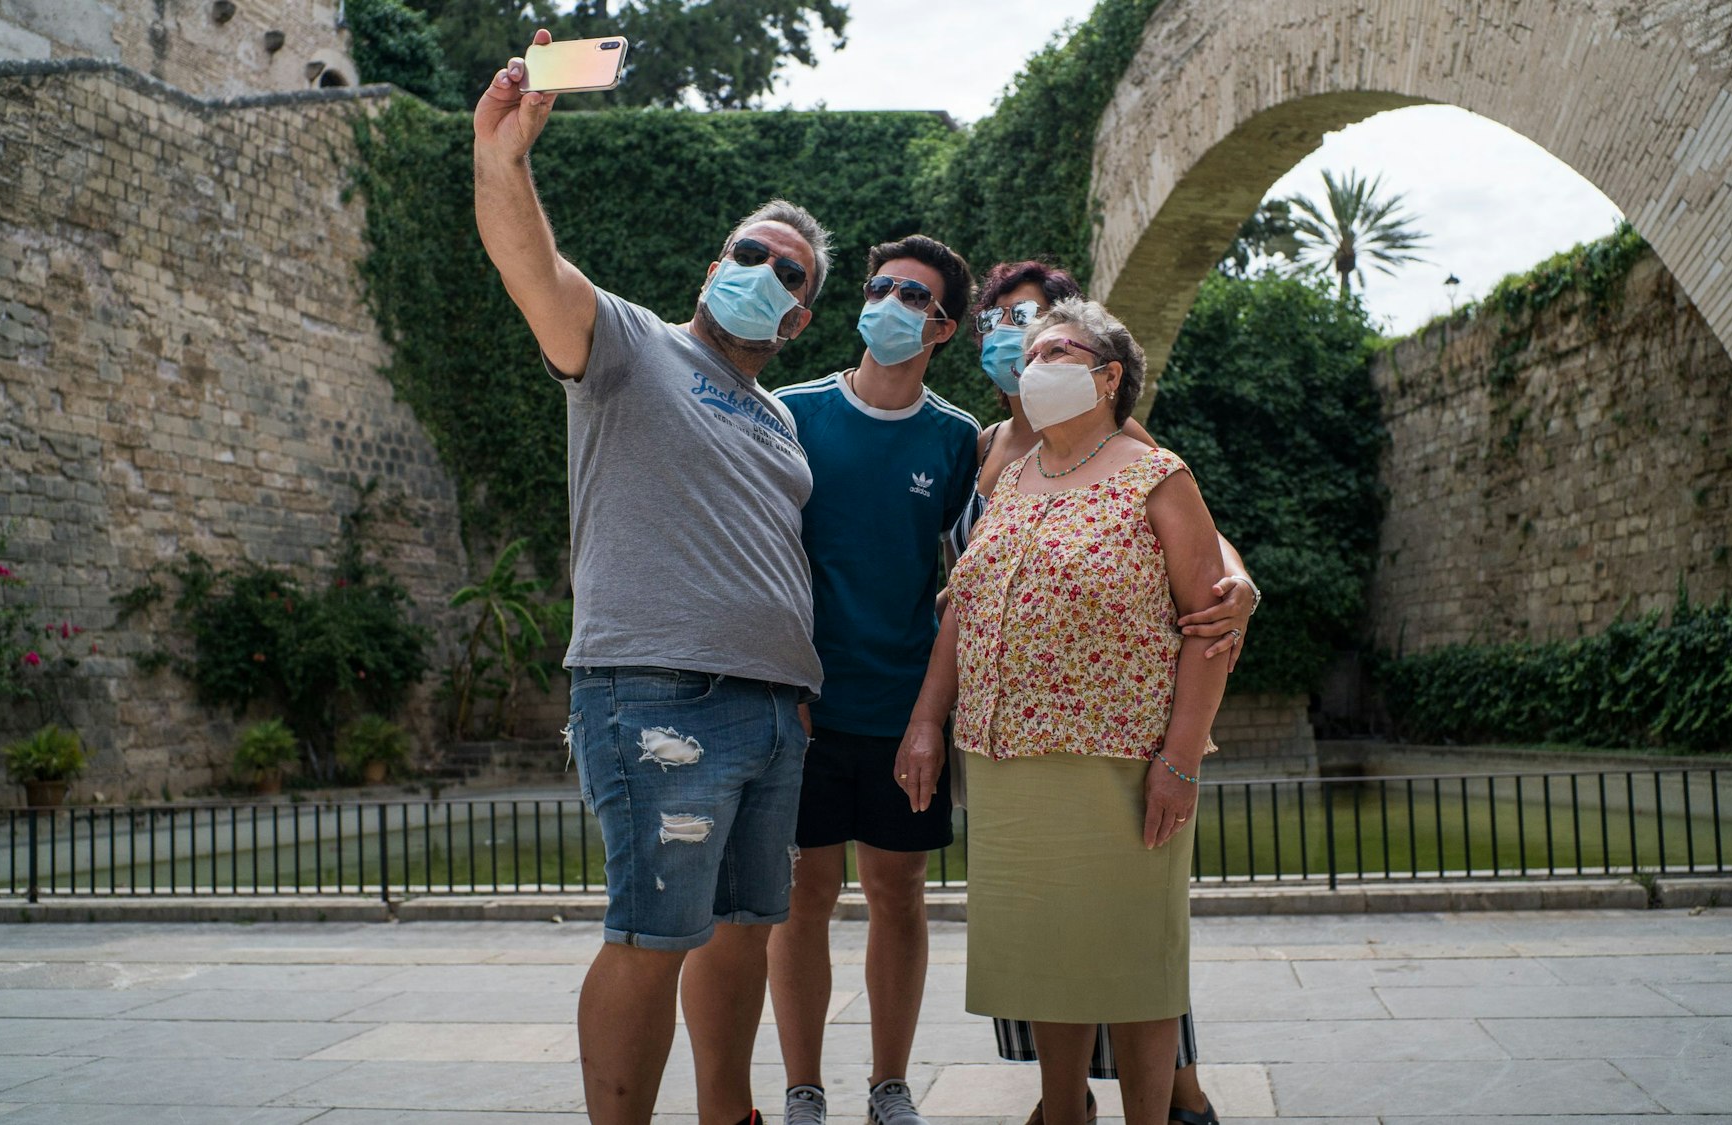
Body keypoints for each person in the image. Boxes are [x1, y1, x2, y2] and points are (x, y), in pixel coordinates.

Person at [473, 32, 826, 1125]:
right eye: (749, 254)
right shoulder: (627, 344)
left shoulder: (777, 417)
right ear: (711, 266)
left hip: (770, 711)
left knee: (744, 930)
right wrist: (504, 161)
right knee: (650, 934)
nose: (762, 274)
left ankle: (731, 1114)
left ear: (801, 314)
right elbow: (531, 266)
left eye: (789, 274)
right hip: (656, 696)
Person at [898, 298, 1235, 1125]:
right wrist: (925, 720)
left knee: (1134, 964)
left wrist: (1181, 759)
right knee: (1046, 962)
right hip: (1007, 763)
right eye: (1031, 350)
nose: (1033, 362)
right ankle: (1062, 1111)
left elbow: (1211, 629)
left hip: (1117, 761)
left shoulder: (1155, 473)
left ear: (1108, 375)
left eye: (1056, 349)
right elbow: (963, 607)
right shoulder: (1013, 476)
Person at [766, 235, 981, 1125]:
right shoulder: (790, 412)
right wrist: (785, 688)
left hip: (903, 718)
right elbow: (759, 559)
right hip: (802, 712)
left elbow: (969, 582)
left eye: (913, 296)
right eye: (881, 286)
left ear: (942, 328)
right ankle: (803, 1089)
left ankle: (890, 1087)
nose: (890, 303)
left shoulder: (959, 439)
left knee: (899, 895)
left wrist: (932, 717)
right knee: (799, 899)